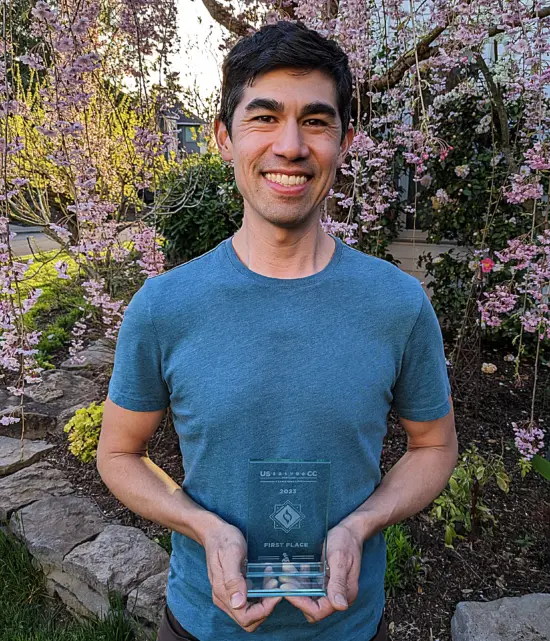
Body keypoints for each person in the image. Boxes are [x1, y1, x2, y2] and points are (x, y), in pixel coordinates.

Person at [97, 20, 458, 641]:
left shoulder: (397, 303)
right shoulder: (165, 305)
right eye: (263, 117)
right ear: (223, 138)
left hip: (349, 626)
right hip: (202, 625)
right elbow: (118, 453)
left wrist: (360, 524)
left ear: (345, 141)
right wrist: (205, 529)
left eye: (315, 121)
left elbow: (434, 446)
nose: (290, 146)